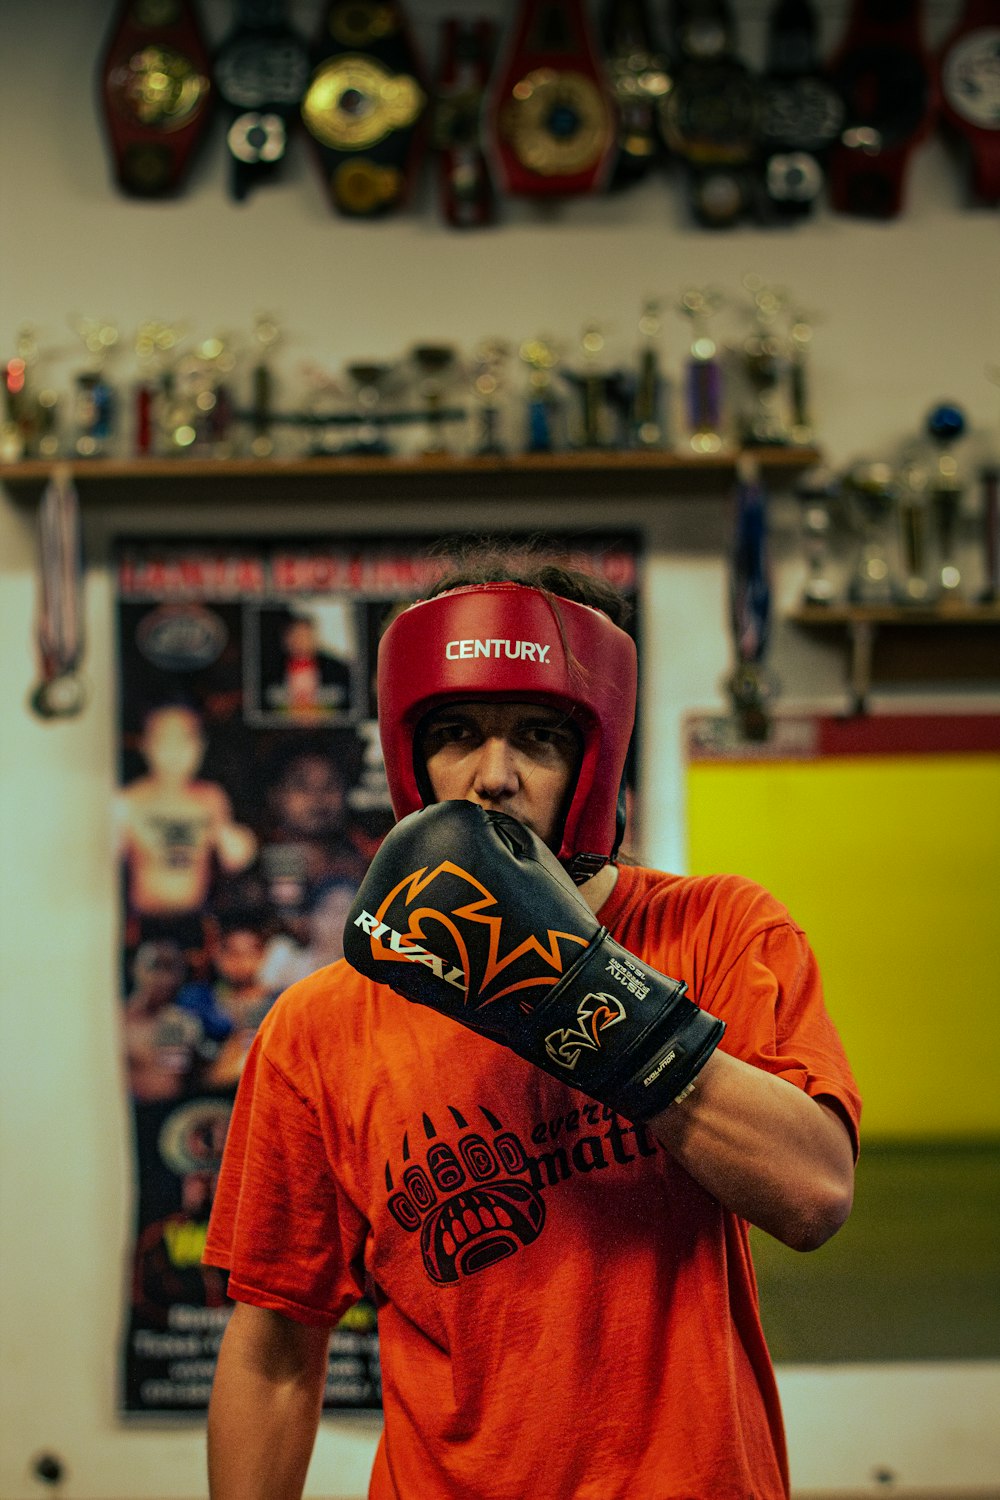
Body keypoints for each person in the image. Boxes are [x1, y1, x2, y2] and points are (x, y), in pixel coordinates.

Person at [204, 554, 860, 1500]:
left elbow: (812, 1195)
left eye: (540, 737)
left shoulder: (718, 929)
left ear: (594, 761)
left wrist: (578, 986)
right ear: (409, 756)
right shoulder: (322, 1025)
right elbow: (272, 1348)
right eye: (458, 733)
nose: (493, 777)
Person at [116, 702, 257, 925]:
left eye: (185, 739)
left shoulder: (210, 798)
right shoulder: (129, 801)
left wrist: (238, 842)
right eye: (164, 740)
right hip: (141, 920)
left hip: (198, 919)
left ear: (200, 746)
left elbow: (234, 857)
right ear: (146, 745)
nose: (175, 751)